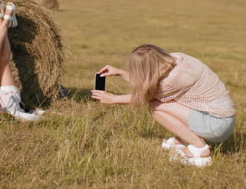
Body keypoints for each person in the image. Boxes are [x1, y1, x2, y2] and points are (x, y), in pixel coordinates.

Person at [91, 44, 235, 167]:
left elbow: (146, 96)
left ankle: (199, 148)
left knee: (156, 107)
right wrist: (120, 73)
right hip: (220, 118)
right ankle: (181, 140)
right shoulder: (177, 58)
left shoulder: (172, 80)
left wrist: (113, 99)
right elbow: (149, 81)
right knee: (165, 102)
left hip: (217, 125)